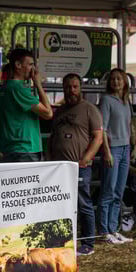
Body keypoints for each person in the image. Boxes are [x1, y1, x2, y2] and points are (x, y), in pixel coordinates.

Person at [47, 73, 103, 256]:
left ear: (80, 88)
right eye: (68, 87)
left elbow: (98, 137)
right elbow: (53, 137)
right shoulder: (60, 111)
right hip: (58, 167)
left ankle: (88, 243)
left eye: (74, 87)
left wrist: (86, 158)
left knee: (83, 203)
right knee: (59, 203)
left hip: (79, 166)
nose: (71, 90)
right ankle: (63, 239)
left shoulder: (89, 109)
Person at [0, 47, 53, 162]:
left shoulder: (6, 87)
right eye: (30, 64)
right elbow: (48, 113)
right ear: (18, 65)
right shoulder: (17, 89)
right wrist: (38, 84)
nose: (33, 69)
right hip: (24, 150)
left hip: (12, 149)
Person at [98, 68, 133, 244]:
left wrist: (132, 144)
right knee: (108, 191)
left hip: (125, 148)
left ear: (125, 81)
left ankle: (114, 229)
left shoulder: (126, 101)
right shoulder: (106, 100)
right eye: (113, 79)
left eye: (119, 79)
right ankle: (104, 231)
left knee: (119, 192)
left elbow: (129, 124)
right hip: (113, 149)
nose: (116, 82)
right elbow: (102, 128)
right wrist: (106, 150)